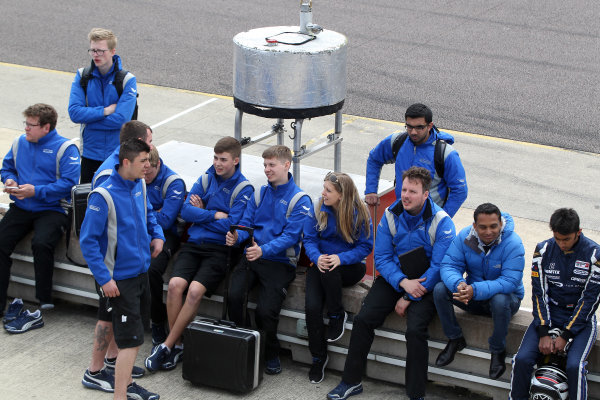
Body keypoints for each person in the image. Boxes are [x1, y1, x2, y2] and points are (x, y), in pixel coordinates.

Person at [327, 166, 455, 400]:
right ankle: (351, 381)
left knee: (416, 331)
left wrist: (410, 296)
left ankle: (415, 394)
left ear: (426, 194)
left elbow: (440, 268)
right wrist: (403, 283)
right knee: (364, 320)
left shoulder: (442, 222)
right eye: (403, 189)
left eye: (412, 191)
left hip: (426, 283)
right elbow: (382, 259)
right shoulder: (389, 215)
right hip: (396, 278)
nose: (405, 195)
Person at [145, 137, 253, 372]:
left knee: (194, 291)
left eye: (223, 159)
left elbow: (232, 226)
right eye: (215, 158)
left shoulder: (244, 188)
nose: (217, 163)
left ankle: (167, 346)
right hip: (194, 244)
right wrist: (214, 215)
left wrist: (202, 212)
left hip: (219, 251)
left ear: (235, 160)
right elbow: (185, 211)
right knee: (174, 285)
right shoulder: (206, 178)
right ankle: (178, 345)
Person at [80, 139, 164, 400]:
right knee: (132, 340)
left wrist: (157, 234)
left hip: (140, 274)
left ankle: (125, 386)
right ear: (126, 162)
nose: (148, 166)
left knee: (131, 336)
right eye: (143, 161)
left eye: (149, 160)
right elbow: (88, 241)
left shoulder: (139, 184)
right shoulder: (102, 196)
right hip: (120, 280)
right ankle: (120, 395)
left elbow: (148, 212)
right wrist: (104, 279)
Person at [225, 145, 312, 375]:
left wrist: (263, 250)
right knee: (233, 296)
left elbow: (290, 238)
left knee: (265, 311)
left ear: (286, 165)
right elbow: (246, 225)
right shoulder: (258, 193)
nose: (267, 169)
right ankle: (248, 346)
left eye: (271, 165)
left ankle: (271, 352)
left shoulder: (301, 200)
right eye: (265, 165)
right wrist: (237, 236)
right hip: (254, 254)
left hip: (280, 263)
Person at [0, 104, 80, 324]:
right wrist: (9, 179)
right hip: (22, 206)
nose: (26, 129)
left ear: (46, 127)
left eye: (31, 125)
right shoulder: (19, 143)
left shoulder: (66, 149)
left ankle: (43, 298)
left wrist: (36, 191)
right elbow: (6, 167)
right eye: (25, 124)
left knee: (42, 243)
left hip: (52, 209)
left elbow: (69, 184)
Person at [510, 208, 600, 400]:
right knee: (522, 360)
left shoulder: (595, 255)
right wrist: (543, 331)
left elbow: (590, 300)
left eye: (566, 239)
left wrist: (566, 334)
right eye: (557, 238)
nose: (561, 244)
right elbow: (538, 293)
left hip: (582, 321)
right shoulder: (543, 250)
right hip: (550, 315)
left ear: (579, 232)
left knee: (575, 366)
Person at [433, 203, 525, 379]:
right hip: (473, 296)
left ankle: (498, 350)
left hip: (505, 301)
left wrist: (475, 290)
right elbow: (449, 265)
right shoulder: (465, 237)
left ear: (501, 224)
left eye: (493, 226)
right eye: (482, 227)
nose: (488, 231)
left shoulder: (513, 243)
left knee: (500, 300)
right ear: (474, 226)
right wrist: (459, 284)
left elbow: (509, 281)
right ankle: (455, 338)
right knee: (440, 290)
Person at [303, 172, 373, 384]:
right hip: (321, 264)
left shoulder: (360, 212)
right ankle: (318, 357)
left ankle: (336, 315)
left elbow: (365, 247)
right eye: (324, 188)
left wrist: (340, 258)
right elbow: (309, 239)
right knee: (312, 307)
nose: (323, 193)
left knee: (331, 269)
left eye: (328, 190)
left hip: (349, 266)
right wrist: (318, 257)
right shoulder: (318, 208)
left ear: (341, 195)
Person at [364, 103, 467, 218]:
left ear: (429, 126)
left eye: (419, 127)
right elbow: (374, 159)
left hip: (428, 223)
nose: (413, 132)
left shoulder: (446, 154)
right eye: (409, 126)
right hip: (401, 218)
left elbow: (460, 191)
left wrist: (441, 219)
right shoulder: (398, 141)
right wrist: (371, 190)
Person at [68, 28, 137, 183]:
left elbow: (121, 119)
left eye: (100, 51)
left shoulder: (127, 80)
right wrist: (105, 111)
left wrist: (89, 120)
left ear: (113, 51)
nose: (96, 55)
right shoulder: (82, 76)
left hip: (117, 154)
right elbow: (74, 113)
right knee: (86, 200)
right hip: (89, 154)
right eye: (92, 50)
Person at [144, 147, 185, 346]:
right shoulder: (137, 175)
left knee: (152, 270)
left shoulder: (173, 183)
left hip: (168, 236)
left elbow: (166, 221)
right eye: (142, 173)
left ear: (158, 164)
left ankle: (158, 322)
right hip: (141, 232)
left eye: (149, 173)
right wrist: (155, 212)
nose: (145, 178)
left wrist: (144, 212)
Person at [92, 120, 153, 188]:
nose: (151, 147)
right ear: (139, 142)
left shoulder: (138, 172)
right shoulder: (107, 175)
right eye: (149, 142)